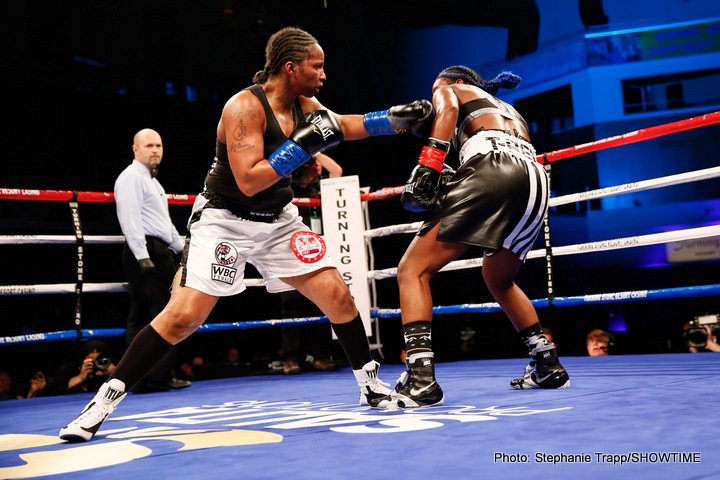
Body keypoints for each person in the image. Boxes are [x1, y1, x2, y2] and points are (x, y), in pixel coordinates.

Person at [59, 26, 433, 442]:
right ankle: (101, 404)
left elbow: (339, 125)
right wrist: (302, 147)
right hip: (225, 219)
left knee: (337, 294)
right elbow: (250, 180)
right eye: (317, 66)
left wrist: (393, 120)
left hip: (278, 220)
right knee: (183, 316)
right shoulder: (243, 108)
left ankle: (369, 384)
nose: (324, 74)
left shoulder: (304, 103)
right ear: (291, 68)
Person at [384, 65, 570, 408]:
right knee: (500, 279)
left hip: (495, 169)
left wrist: (429, 164)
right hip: (536, 181)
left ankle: (421, 378)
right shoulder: (509, 110)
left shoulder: (451, 89)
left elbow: (449, 109)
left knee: (412, 270)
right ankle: (547, 362)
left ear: (455, 82)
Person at [114, 128, 191, 393]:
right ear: (136, 150)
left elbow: (164, 225)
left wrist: (183, 249)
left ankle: (139, 378)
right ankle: (153, 377)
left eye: (158, 145)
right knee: (161, 314)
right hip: (145, 252)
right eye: (149, 145)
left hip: (156, 250)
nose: (155, 150)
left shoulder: (153, 182)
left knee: (149, 314)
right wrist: (142, 256)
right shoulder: (131, 178)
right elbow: (130, 219)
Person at [277, 152, 343, 375]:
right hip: (289, 251)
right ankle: (291, 358)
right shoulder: (286, 186)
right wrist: (300, 156)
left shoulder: (321, 190)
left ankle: (321, 356)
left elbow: (337, 171)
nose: (316, 168)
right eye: (311, 165)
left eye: (316, 166)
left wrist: (314, 151)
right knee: (290, 306)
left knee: (321, 303)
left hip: (316, 252)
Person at [29, 340, 117, 397]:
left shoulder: (111, 368)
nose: (95, 364)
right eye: (91, 361)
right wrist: (80, 377)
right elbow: (51, 391)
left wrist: (115, 372)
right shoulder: (70, 370)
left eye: (98, 360)